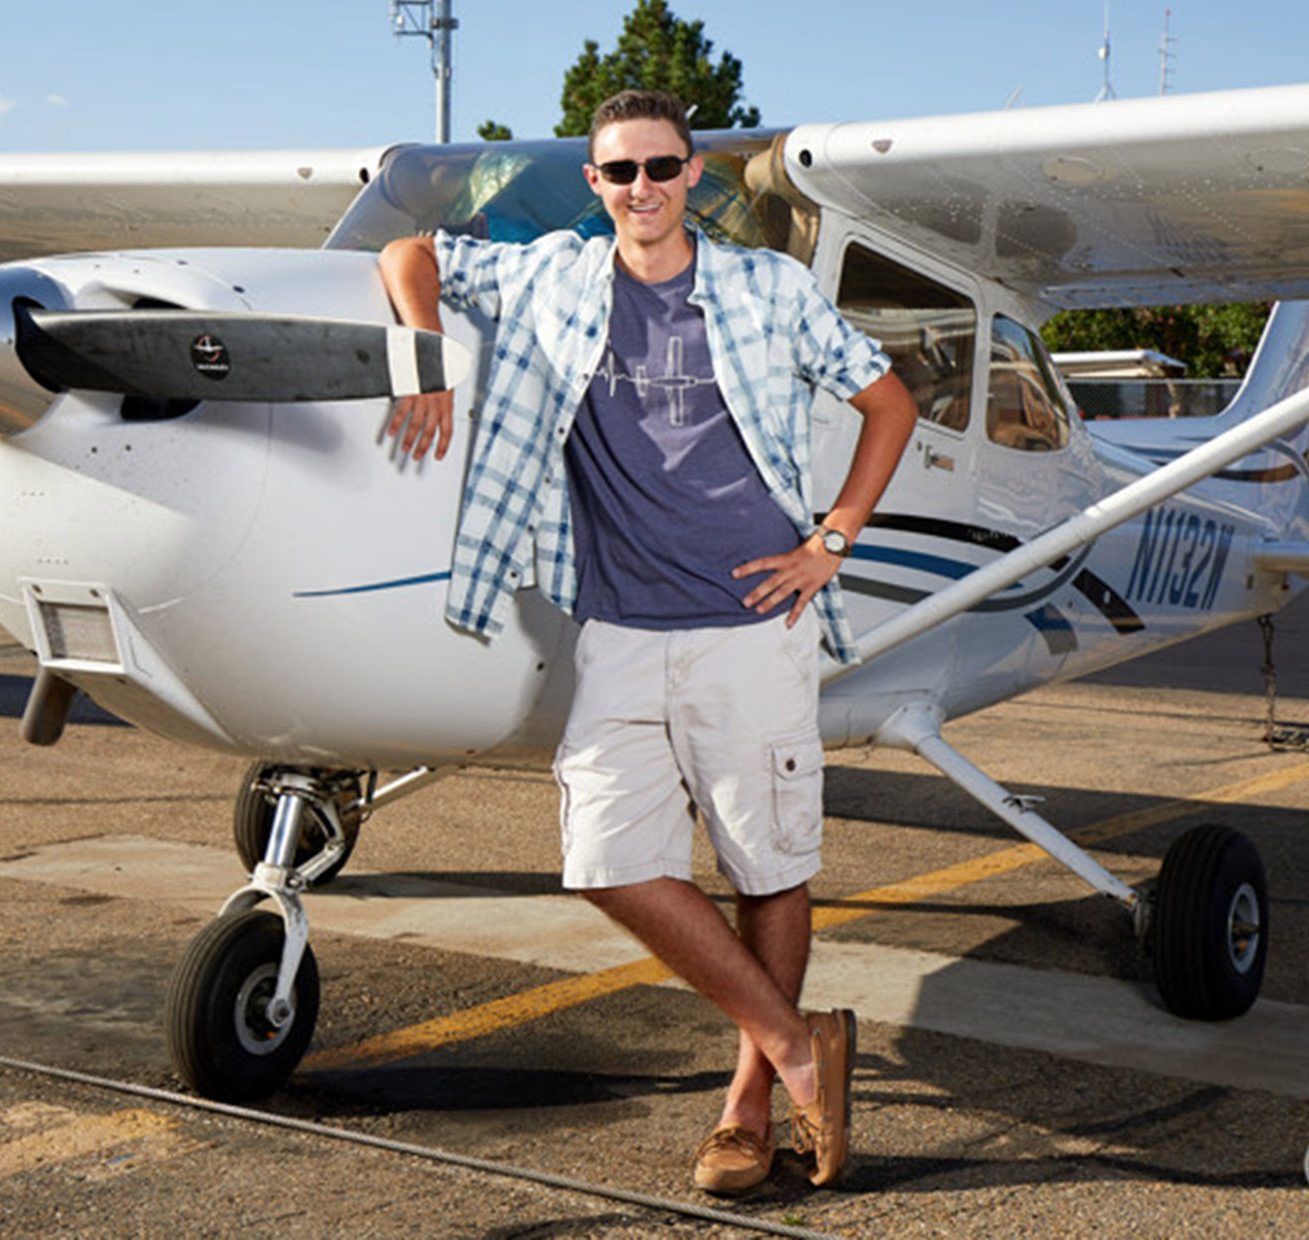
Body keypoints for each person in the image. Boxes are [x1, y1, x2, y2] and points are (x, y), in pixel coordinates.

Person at [378, 89, 918, 1195]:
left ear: (692, 176)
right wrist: (422, 347)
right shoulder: (550, 274)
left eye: (661, 168)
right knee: (605, 862)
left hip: (752, 624)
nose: (641, 189)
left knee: (766, 865)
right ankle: (798, 1041)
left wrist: (830, 538)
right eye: (619, 171)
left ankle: (747, 1108)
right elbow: (407, 248)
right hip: (618, 623)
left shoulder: (765, 288)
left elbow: (889, 403)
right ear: (593, 184)